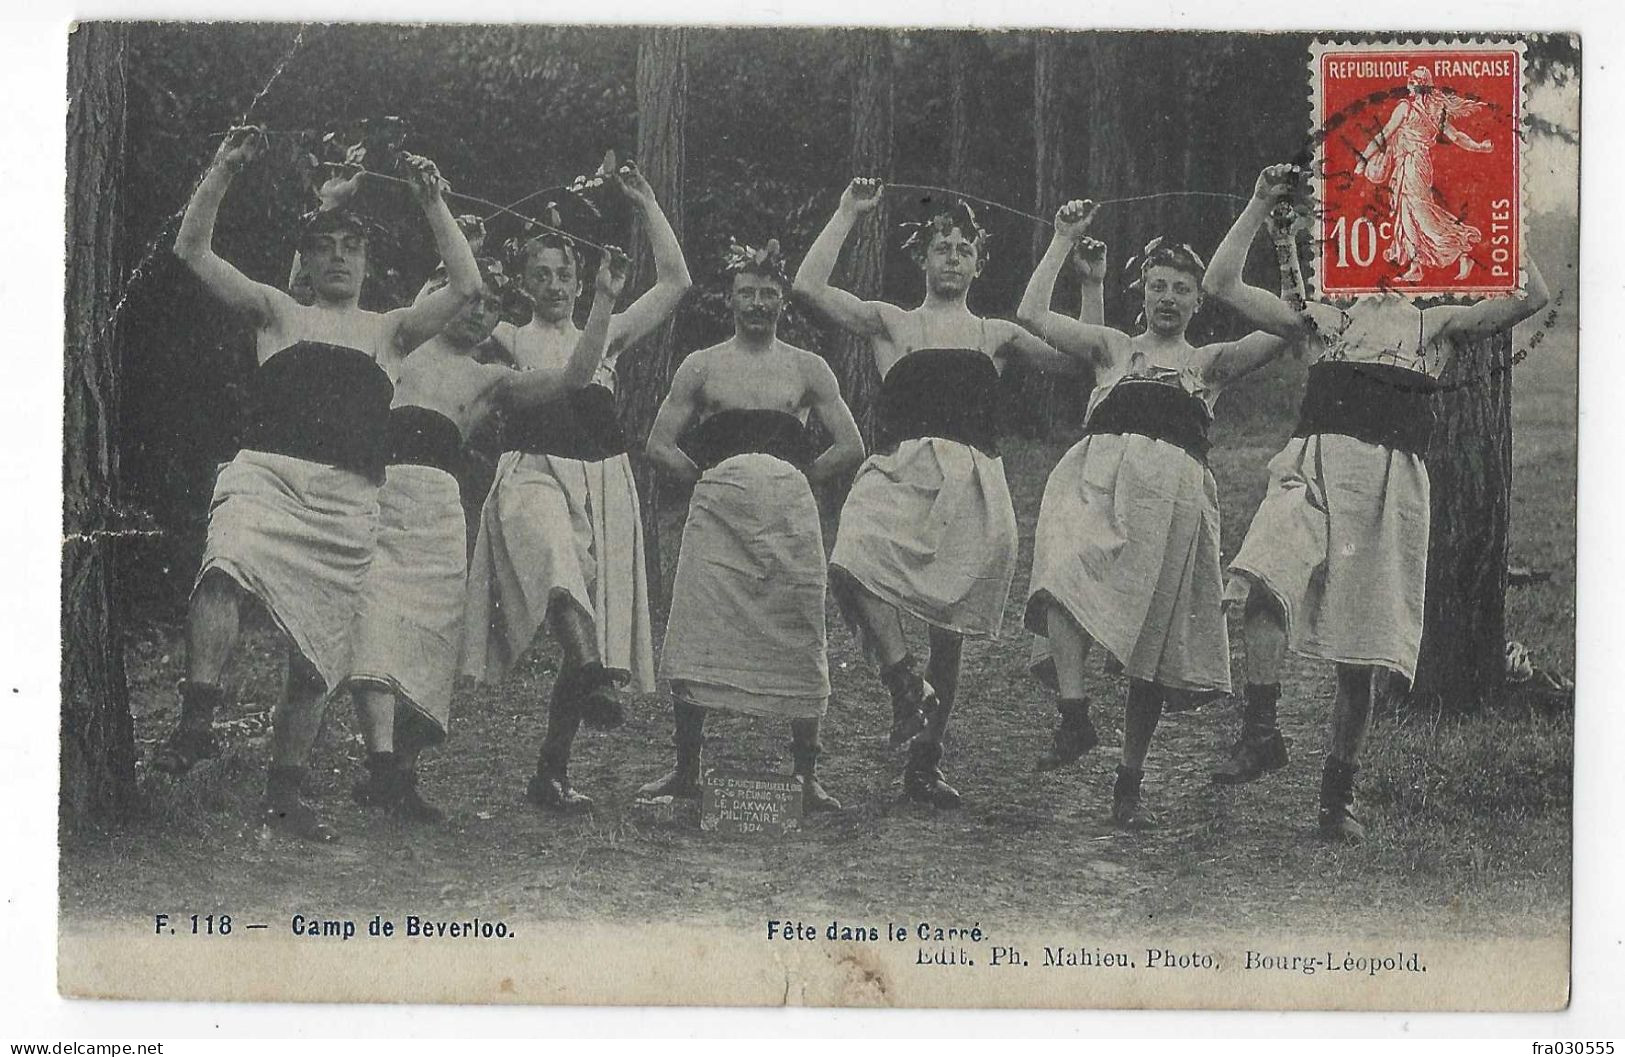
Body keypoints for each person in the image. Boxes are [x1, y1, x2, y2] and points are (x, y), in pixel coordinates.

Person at [1203, 164, 1549, 842]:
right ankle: (1261, 730)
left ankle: (1336, 797)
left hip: (1389, 489)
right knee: (1262, 583)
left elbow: (1528, 292)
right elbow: (1219, 285)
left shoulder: (1437, 324)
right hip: (1310, 469)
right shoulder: (1320, 321)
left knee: (1358, 657)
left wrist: (1485, 209)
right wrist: (1255, 201)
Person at [155, 127, 481, 842]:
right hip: (266, 477)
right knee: (221, 569)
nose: (338, 257)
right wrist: (220, 170)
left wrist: (432, 202)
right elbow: (192, 251)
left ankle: (286, 792)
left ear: (367, 260)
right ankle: (196, 718)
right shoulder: (279, 311)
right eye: (325, 245)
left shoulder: (390, 330)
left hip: (346, 499)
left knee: (316, 660)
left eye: (351, 246)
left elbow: (467, 286)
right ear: (303, 259)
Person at [793, 179, 1079, 808]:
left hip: (972, 485)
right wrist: (846, 210)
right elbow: (809, 288)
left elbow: (1075, 359)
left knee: (948, 635)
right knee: (851, 560)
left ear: (979, 262)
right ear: (921, 258)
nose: (952, 256)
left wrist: (1062, 245)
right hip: (900, 474)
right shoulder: (891, 322)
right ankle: (901, 681)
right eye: (940, 246)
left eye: (963, 248)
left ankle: (926, 763)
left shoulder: (996, 335)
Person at [1016, 200, 1296, 829]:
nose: (1169, 298)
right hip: (1097, 486)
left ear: (1200, 301)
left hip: (1173, 502)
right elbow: (1031, 313)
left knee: (1153, 644)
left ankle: (1129, 777)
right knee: (1060, 576)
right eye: (1158, 286)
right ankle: (1074, 714)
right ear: (1140, 292)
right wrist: (1062, 238)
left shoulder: (1208, 364)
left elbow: (1289, 329)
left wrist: (1267, 222)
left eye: (1183, 290)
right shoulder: (1111, 349)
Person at [347, 247, 627, 823]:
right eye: (468, 299)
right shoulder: (394, 343)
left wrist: (602, 298)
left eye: (491, 306)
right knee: (374, 623)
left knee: (438, 641)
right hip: (378, 494)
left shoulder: (491, 376)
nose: (479, 313)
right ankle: (378, 762)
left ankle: (400, 774)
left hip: (441, 504)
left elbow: (575, 375)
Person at [462, 159, 692, 812]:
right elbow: (457, 302)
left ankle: (552, 769)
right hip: (531, 471)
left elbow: (676, 281)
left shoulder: (606, 329)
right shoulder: (506, 336)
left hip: (602, 476)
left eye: (564, 272)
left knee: (587, 617)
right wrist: (470, 245)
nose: (555, 283)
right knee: (559, 570)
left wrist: (646, 201)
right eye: (541, 274)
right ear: (524, 283)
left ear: (579, 274)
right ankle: (593, 675)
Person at [638, 240, 866, 812]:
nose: (758, 304)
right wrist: (709, 480)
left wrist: (797, 477)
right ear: (729, 299)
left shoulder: (806, 367)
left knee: (799, 629)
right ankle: (686, 766)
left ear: (784, 300)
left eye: (768, 294)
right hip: (718, 517)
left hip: (788, 517)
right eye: (747, 293)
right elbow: (658, 443)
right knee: (697, 627)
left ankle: (806, 776)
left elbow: (851, 444)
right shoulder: (703, 364)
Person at [1355, 67, 1494, 284]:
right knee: (1406, 213)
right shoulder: (1433, 111)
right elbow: (1456, 136)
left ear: (1415, 84)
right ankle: (1416, 265)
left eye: (1411, 81)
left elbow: (1384, 135)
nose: (1408, 85)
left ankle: (1461, 249)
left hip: (1414, 165)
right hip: (1409, 164)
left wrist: (1363, 160)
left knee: (1420, 213)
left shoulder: (1407, 108)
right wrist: (1479, 146)